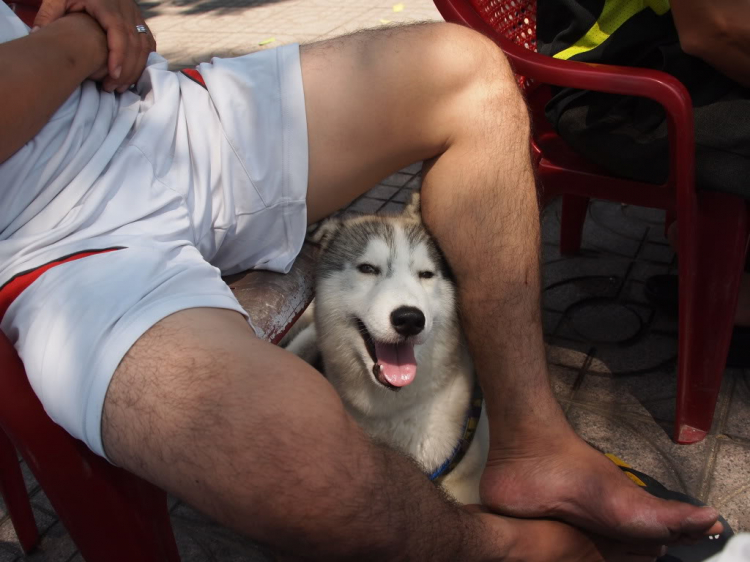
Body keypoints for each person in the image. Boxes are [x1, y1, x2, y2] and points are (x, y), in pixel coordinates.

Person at [0, 0, 724, 558]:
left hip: (160, 118)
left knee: (464, 73)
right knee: (304, 469)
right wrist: (81, 39)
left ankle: (535, 446)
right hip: (54, 248)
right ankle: (501, 550)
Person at [536, 0, 750, 358]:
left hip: (651, 62)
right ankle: (724, 295)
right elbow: (713, 31)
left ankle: (718, 265)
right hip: (615, 95)